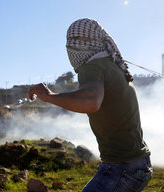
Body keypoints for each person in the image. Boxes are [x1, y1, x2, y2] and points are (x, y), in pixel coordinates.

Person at [28, 18, 152, 192]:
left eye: (76, 39)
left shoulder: (93, 67)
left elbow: (91, 102)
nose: (70, 45)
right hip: (138, 163)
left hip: (123, 167)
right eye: (69, 40)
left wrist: (49, 96)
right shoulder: (113, 66)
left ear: (92, 41)